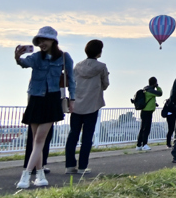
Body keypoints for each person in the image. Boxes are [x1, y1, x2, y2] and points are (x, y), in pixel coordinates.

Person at [14, 26, 75, 189]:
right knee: (36, 141)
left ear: (53, 41)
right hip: (36, 98)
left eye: (45, 40)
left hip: (52, 99)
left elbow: (72, 79)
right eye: (40, 41)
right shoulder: (36, 57)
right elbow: (24, 64)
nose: (42, 43)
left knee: (40, 139)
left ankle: (26, 175)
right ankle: (40, 176)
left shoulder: (63, 57)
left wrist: (72, 99)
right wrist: (18, 57)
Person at [65, 39, 108, 175]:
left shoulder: (77, 66)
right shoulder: (101, 67)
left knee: (73, 135)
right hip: (92, 105)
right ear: (99, 52)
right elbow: (105, 84)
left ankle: (69, 166)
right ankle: (83, 167)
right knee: (87, 137)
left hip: (76, 105)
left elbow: (71, 81)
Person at [136, 76, 162, 150]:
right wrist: (158, 87)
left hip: (144, 111)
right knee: (147, 128)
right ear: (154, 83)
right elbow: (160, 93)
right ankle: (144, 144)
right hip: (148, 112)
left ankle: (138, 145)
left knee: (142, 128)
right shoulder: (151, 91)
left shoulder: (146, 89)